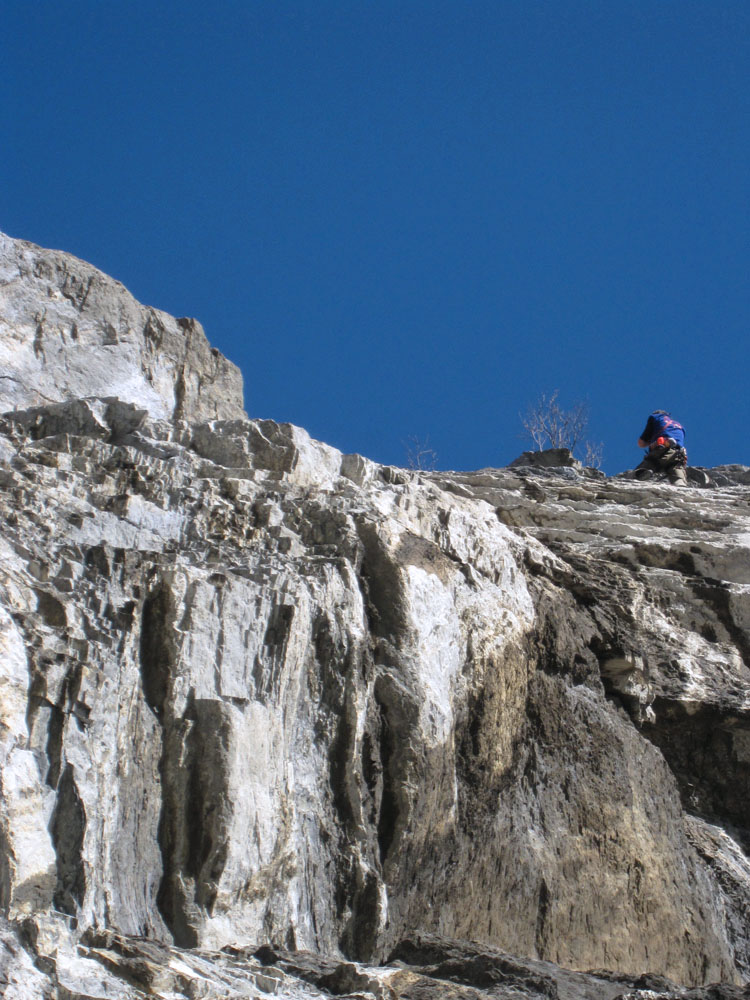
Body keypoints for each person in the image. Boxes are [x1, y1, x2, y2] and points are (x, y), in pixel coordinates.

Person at [634, 410, 688, 485]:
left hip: (661, 451)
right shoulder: (680, 427)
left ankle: (645, 474)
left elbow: (641, 443)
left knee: (638, 474)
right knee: (678, 480)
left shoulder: (655, 417)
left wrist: (651, 441)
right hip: (678, 455)